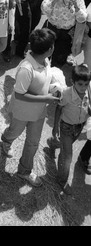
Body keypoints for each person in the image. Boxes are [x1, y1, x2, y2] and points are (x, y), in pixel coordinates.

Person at [1, 28, 60, 187]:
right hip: (22, 112)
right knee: (15, 132)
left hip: (39, 113)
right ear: (49, 49)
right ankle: (6, 140)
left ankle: (24, 171)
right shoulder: (26, 69)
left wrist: (54, 84)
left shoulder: (45, 60)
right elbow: (19, 94)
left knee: (33, 142)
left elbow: (45, 78)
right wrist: (46, 98)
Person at [52, 64, 91, 195]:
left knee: (64, 151)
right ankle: (62, 180)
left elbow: (87, 107)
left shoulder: (88, 93)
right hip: (66, 127)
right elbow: (59, 108)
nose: (84, 87)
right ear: (72, 82)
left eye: (86, 84)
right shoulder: (67, 94)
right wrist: (55, 128)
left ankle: (53, 144)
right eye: (80, 84)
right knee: (67, 156)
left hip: (79, 127)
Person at [41, 0, 87, 68]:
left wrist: (76, 6)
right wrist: (54, 1)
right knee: (44, 55)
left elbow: (82, 19)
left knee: (59, 59)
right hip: (50, 29)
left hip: (66, 33)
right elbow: (44, 10)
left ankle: (54, 78)